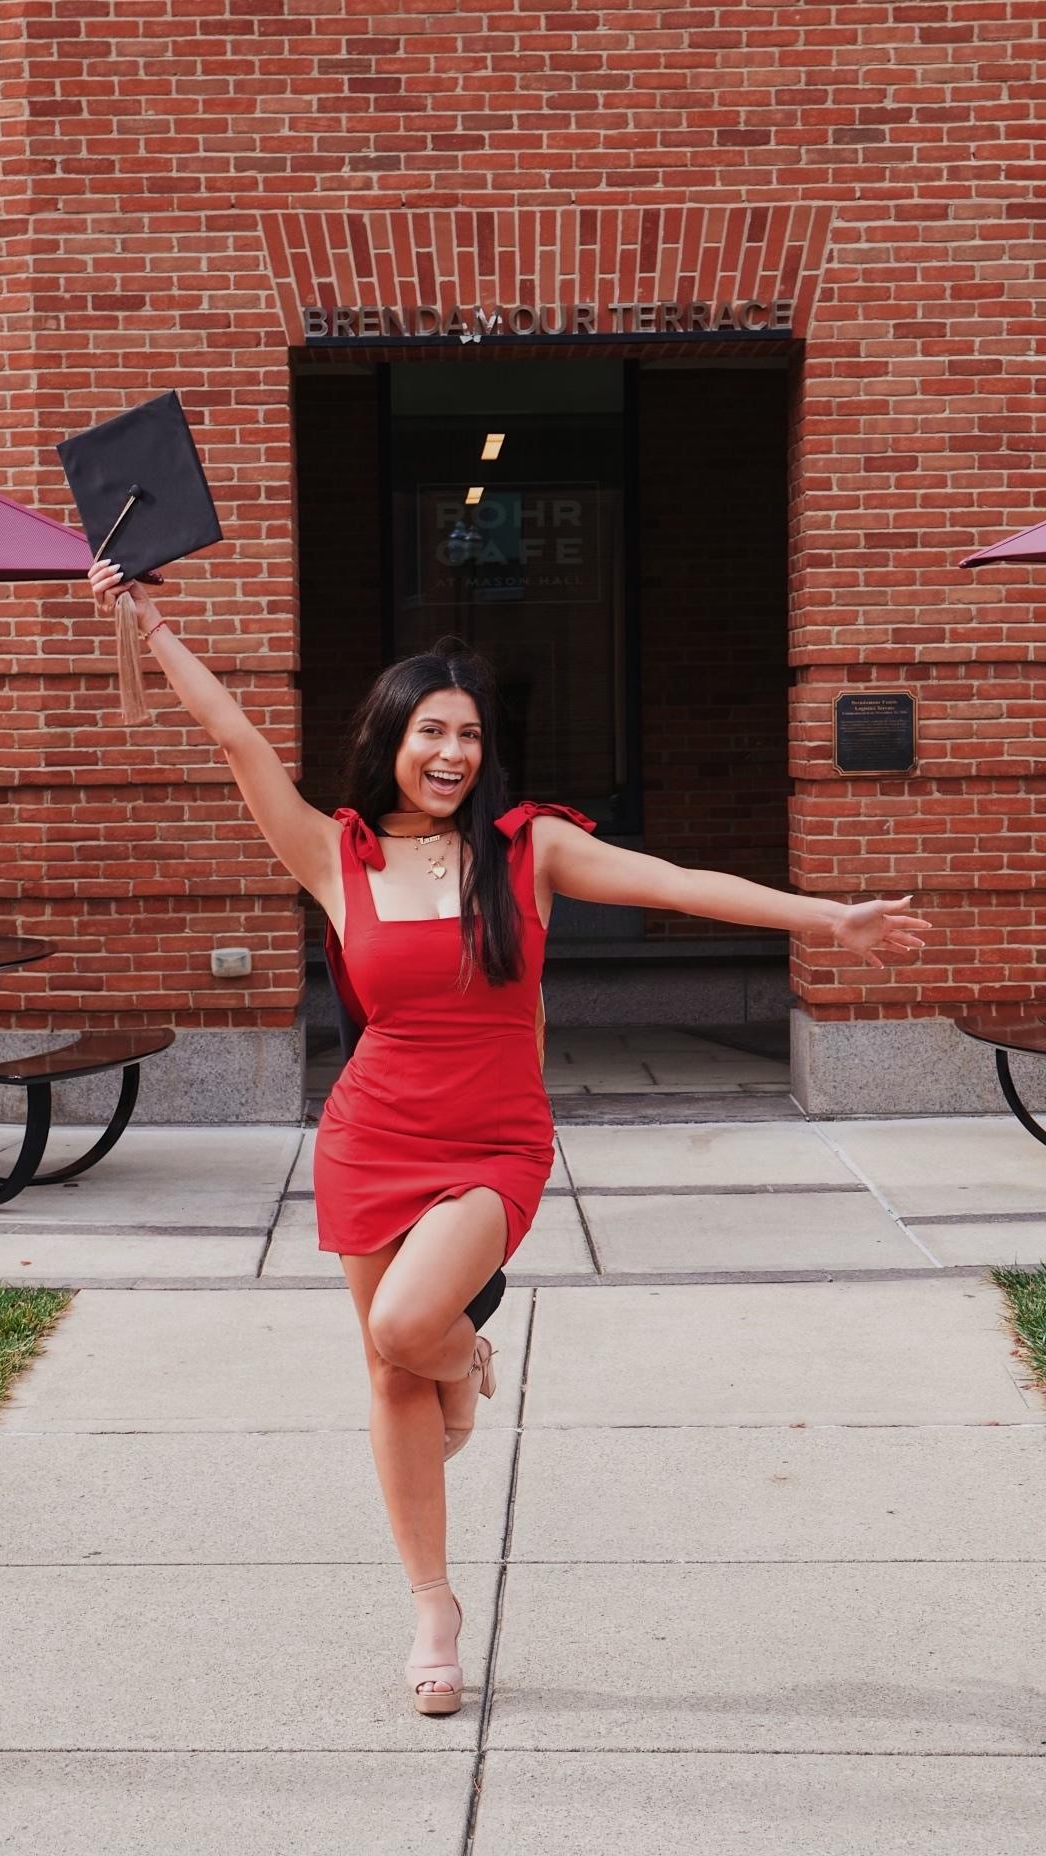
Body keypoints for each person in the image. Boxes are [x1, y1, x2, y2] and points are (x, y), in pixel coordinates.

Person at [88, 559, 932, 1717]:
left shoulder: (526, 851)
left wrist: (826, 915)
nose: (452, 753)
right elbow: (236, 738)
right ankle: (432, 1605)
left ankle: (462, 1359)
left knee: (405, 1327)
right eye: (430, 731)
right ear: (390, 737)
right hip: (369, 1136)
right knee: (389, 1371)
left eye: (470, 735)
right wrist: (148, 622)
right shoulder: (335, 853)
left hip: (492, 1142)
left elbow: (677, 882)